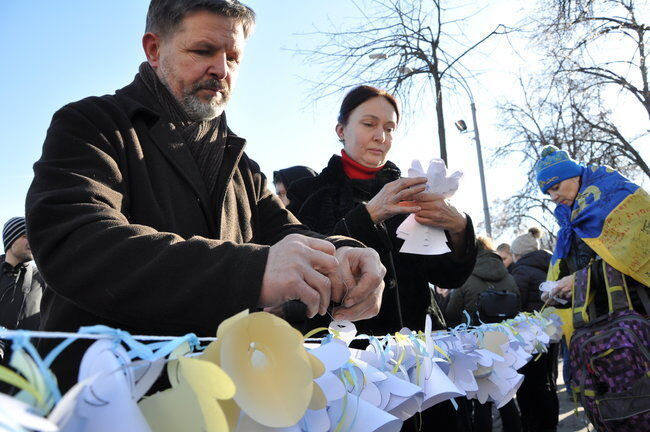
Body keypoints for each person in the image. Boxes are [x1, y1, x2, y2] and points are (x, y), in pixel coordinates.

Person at [25, 0, 386, 392]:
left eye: (233, 56)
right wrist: (253, 271)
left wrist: (343, 253)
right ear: (153, 48)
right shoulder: (92, 125)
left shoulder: (243, 166)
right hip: (106, 400)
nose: (221, 69)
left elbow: (287, 232)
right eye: (203, 51)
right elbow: (77, 244)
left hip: (223, 400)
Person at [287, 85, 477, 431]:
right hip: (354, 362)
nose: (381, 137)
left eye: (389, 128)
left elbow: (448, 276)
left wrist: (460, 228)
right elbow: (309, 263)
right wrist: (369, 214)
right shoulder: (309, 194)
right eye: (369, 124)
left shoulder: (412, 191)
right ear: (341, 130)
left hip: (423, 357)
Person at [534, 145, 649, 430]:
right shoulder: (569, 222)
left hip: (637, 323)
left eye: (556, 187)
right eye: (548, 192)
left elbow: (639, 255)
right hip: (599, 331)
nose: (553, 196)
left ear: (574, 176)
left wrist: (581, 279)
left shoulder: (620, 195)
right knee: (617, 412)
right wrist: (558, 289)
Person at [444, 236, 522, 432]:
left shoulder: (466, 278)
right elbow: (517, 309)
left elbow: (451, 314)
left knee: (481, 401)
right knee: (505, 395)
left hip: (475, 346)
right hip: (504, 344)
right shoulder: (508, 276)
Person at [509, 227, 559, 432]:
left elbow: (514, 303)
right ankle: (550, 423)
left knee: (531, 385)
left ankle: (535, 425)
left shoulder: (521, 269)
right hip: (552, 331)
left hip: (530, 335)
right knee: (549, 381)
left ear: (517, 253)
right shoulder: (549, 265)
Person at [0, 217, 44, 363]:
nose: (31, 241)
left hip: (26, 375)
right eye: (25, 236)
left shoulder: (43, 279)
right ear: (11, 239)